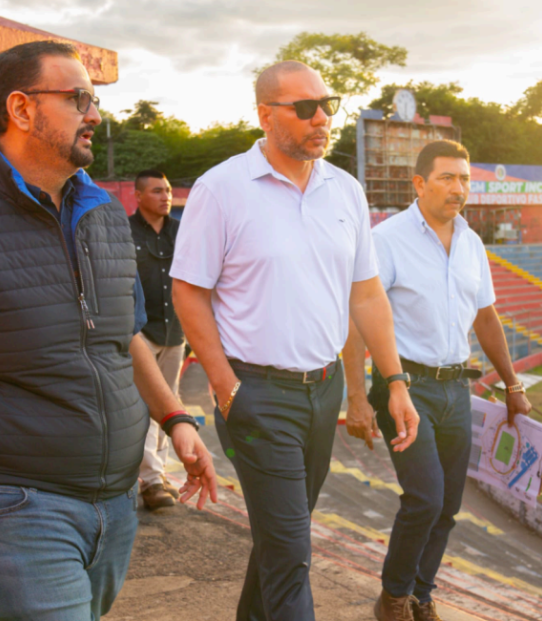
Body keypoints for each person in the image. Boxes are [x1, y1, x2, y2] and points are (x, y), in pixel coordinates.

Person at [0, 40, 216, 619]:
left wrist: (177, 419)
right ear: (21, 110)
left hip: (113, 503)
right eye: (77, 99)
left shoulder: (105, 215)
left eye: (92, 99)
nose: (95, 114)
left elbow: (126, 337)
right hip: (10, 503)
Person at [171, 60, 419, 621]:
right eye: (304, 108)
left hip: (321, 393)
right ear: (265, 115)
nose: (321, 118)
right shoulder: (223, 188)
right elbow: (187, 292)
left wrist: (394, 381)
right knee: (291, 554)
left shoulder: (345, 191)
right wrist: (224, 384)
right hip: (255, 396)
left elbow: (368, 296)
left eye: (327, 104)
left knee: (281, 543)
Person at [343, 140, 533, 621]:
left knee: (447, 507)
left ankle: (420, 596)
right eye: (447, 178)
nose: (459, 188)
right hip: (404, 386)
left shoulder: (471, 242)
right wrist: (358, 397)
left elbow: (486, 318)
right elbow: (357, 319)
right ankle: (392, 598)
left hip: (456, 390)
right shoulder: (386, 240)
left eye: (465, 178)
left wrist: (512, 384)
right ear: (420, 183)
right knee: (425, 498)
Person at [130, 169, 185, 511]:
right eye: (156, 191)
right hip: (141, 332)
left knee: (170, 405)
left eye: (167, 190)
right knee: (146, 406)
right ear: (137, 196)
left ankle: (158, 474)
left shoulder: (182, 233)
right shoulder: (124, 230)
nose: (165, 196)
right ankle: (150, 481)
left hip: (175, 332)